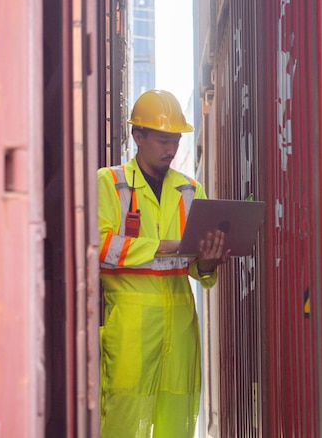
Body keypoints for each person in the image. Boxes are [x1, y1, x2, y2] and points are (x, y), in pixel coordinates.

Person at [97, 89, 230, 437]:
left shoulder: (189, 190)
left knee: (177, 423)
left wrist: (210, 262)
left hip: (181, 327)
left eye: (175, 140)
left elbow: (195, 269)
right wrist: (164, 246)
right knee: (124, 423)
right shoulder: (110, 183)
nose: (171, 150)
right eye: (162, 140)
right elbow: (100, 247)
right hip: (131, 328)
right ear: (137, 136)